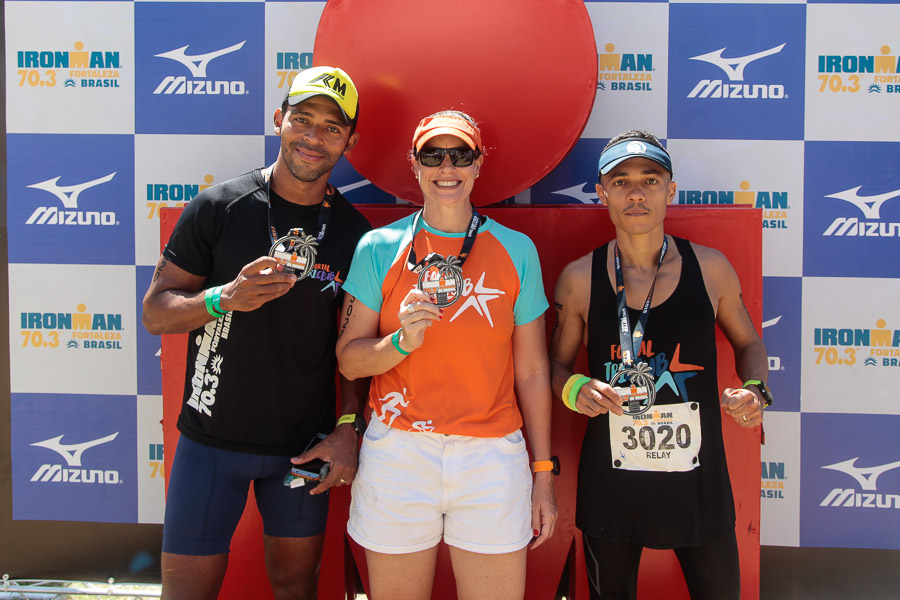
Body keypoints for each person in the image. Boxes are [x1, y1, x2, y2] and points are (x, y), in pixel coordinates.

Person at [142, 66, 372, 600]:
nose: (314, 137)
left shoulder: (355, 233)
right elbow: (155, 312)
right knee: (186, 594)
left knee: (296, 587)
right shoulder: (218, 208)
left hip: (302, 448)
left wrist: (348, 427)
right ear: (278, 120)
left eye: (332, 127)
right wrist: (223, 299)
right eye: (303, 119)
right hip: (209, 443)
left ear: (350, 142)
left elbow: (353, 349)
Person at [335, 110, 558, 600]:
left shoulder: (517, 249)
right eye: (433, 156)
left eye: (460, 155)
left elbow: (533, 371)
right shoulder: (378, 247)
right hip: (398, 450)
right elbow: (349, 360)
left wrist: (543, 473)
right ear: (414, 165)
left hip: (491, 455)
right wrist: (400, 342)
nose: (447, 167)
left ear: (478, 164)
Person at [549, 130, 772, 600]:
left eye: (650, 180)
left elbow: (750, 342)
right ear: (602, 192)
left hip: (699, 484)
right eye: (621, 181)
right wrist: (574, 390)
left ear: (670, 191)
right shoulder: (578, 279)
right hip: (612, 487)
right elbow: (553, 367)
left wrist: (755, 388)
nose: (636, 193)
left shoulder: (710, 268)